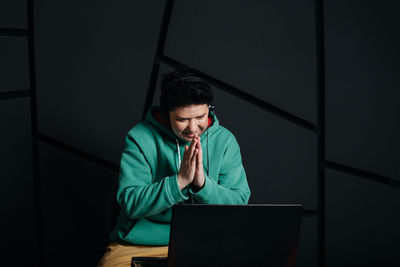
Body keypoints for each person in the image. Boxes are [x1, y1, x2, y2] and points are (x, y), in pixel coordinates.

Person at [98, 69, 251, 267]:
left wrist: (202, 185)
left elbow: (239, 204)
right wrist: (179, 182)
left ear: (210, 110)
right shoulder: (139, 138)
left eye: (200, 117)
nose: (193, 128)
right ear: (165, 113)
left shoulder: (225, 140)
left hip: (207, 242)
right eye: (182, 120)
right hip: (141, 244)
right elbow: (130, 202)